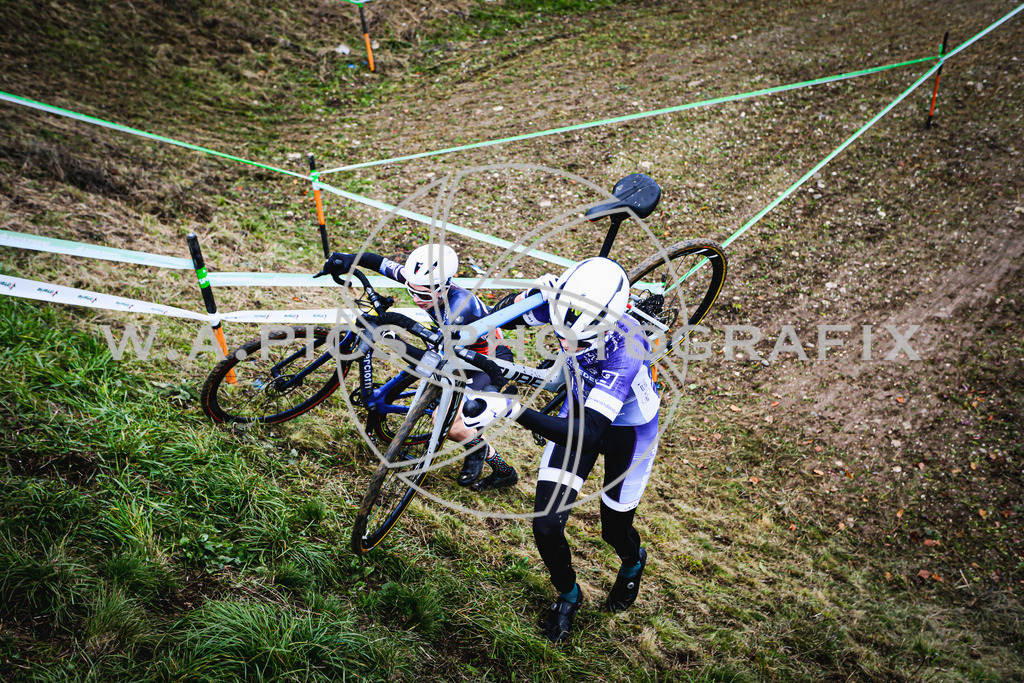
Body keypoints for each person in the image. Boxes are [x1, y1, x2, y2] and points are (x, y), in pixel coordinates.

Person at [462, 257, 659, 643]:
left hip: (627, 431)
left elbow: (588, 435)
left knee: (614, 529)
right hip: (581, 406)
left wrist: (513, 409)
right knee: (546, 524)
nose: (566, 343)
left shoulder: (627, 347)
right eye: (559, 331)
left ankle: (633, 563)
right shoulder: (557, 302)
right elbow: (496, 320)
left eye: (581, 341)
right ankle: (569, 595)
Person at [318, 244, 518, 491]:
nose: (415, 299)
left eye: (423, 295)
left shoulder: (457, 309)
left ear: (444, 287)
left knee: (449, 424)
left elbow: (432, 361)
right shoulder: (421, 280)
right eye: (411, 291)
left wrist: (394, 341)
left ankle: (499, 467)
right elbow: (377, 262)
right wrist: (346, 258)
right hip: (455, 345)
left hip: (485, 361)